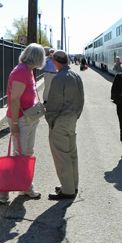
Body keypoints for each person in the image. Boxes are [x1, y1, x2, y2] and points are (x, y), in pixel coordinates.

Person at [0, 43, 46, 205]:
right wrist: (15, 124)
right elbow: (15, 99)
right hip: (22, 120)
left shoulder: (27, 70)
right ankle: (9, 190)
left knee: (26, 152)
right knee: (20, 155)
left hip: (28, 118)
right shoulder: (22, 72)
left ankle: (23, 185)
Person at [45, 50, 85, 200]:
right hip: (72, 118)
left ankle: (67, 189)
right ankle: (72, 185)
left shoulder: (59, 78)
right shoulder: (75, 76)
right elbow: (81, 99)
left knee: (61, 156)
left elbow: (54, 103)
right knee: (71, 153)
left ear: (55, 62)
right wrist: (76, 115)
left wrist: (50, 120)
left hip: (60, 119)